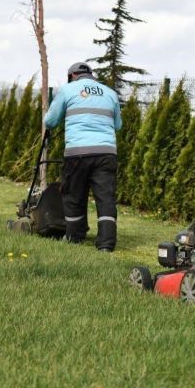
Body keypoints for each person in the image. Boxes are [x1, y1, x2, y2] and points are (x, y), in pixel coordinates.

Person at [44, 62, 122, 251]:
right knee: (105, 197)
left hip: (78, 152)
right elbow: (118, 125)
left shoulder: (68, 90)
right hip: (106, 153)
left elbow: (50, 121)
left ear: (72, 76)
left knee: (73, 195)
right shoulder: (110, 93)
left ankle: (75, 236)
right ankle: (106, 244)